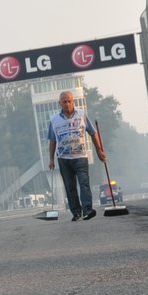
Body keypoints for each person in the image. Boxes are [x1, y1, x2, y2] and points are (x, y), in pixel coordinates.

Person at [46, 90, 107, 221]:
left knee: (84, 183)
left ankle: (88, 209)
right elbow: (52, 140)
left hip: (80, 156)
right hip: (64, 158)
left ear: (73, 101)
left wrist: (99, 150)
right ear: (60, 103)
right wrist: (51, 159)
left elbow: (93, 132)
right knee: (70, 186)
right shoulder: (54, 120)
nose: (67, 104)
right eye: (64, 102)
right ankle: (76, 212)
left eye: (69, 101)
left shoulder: (81, 115)